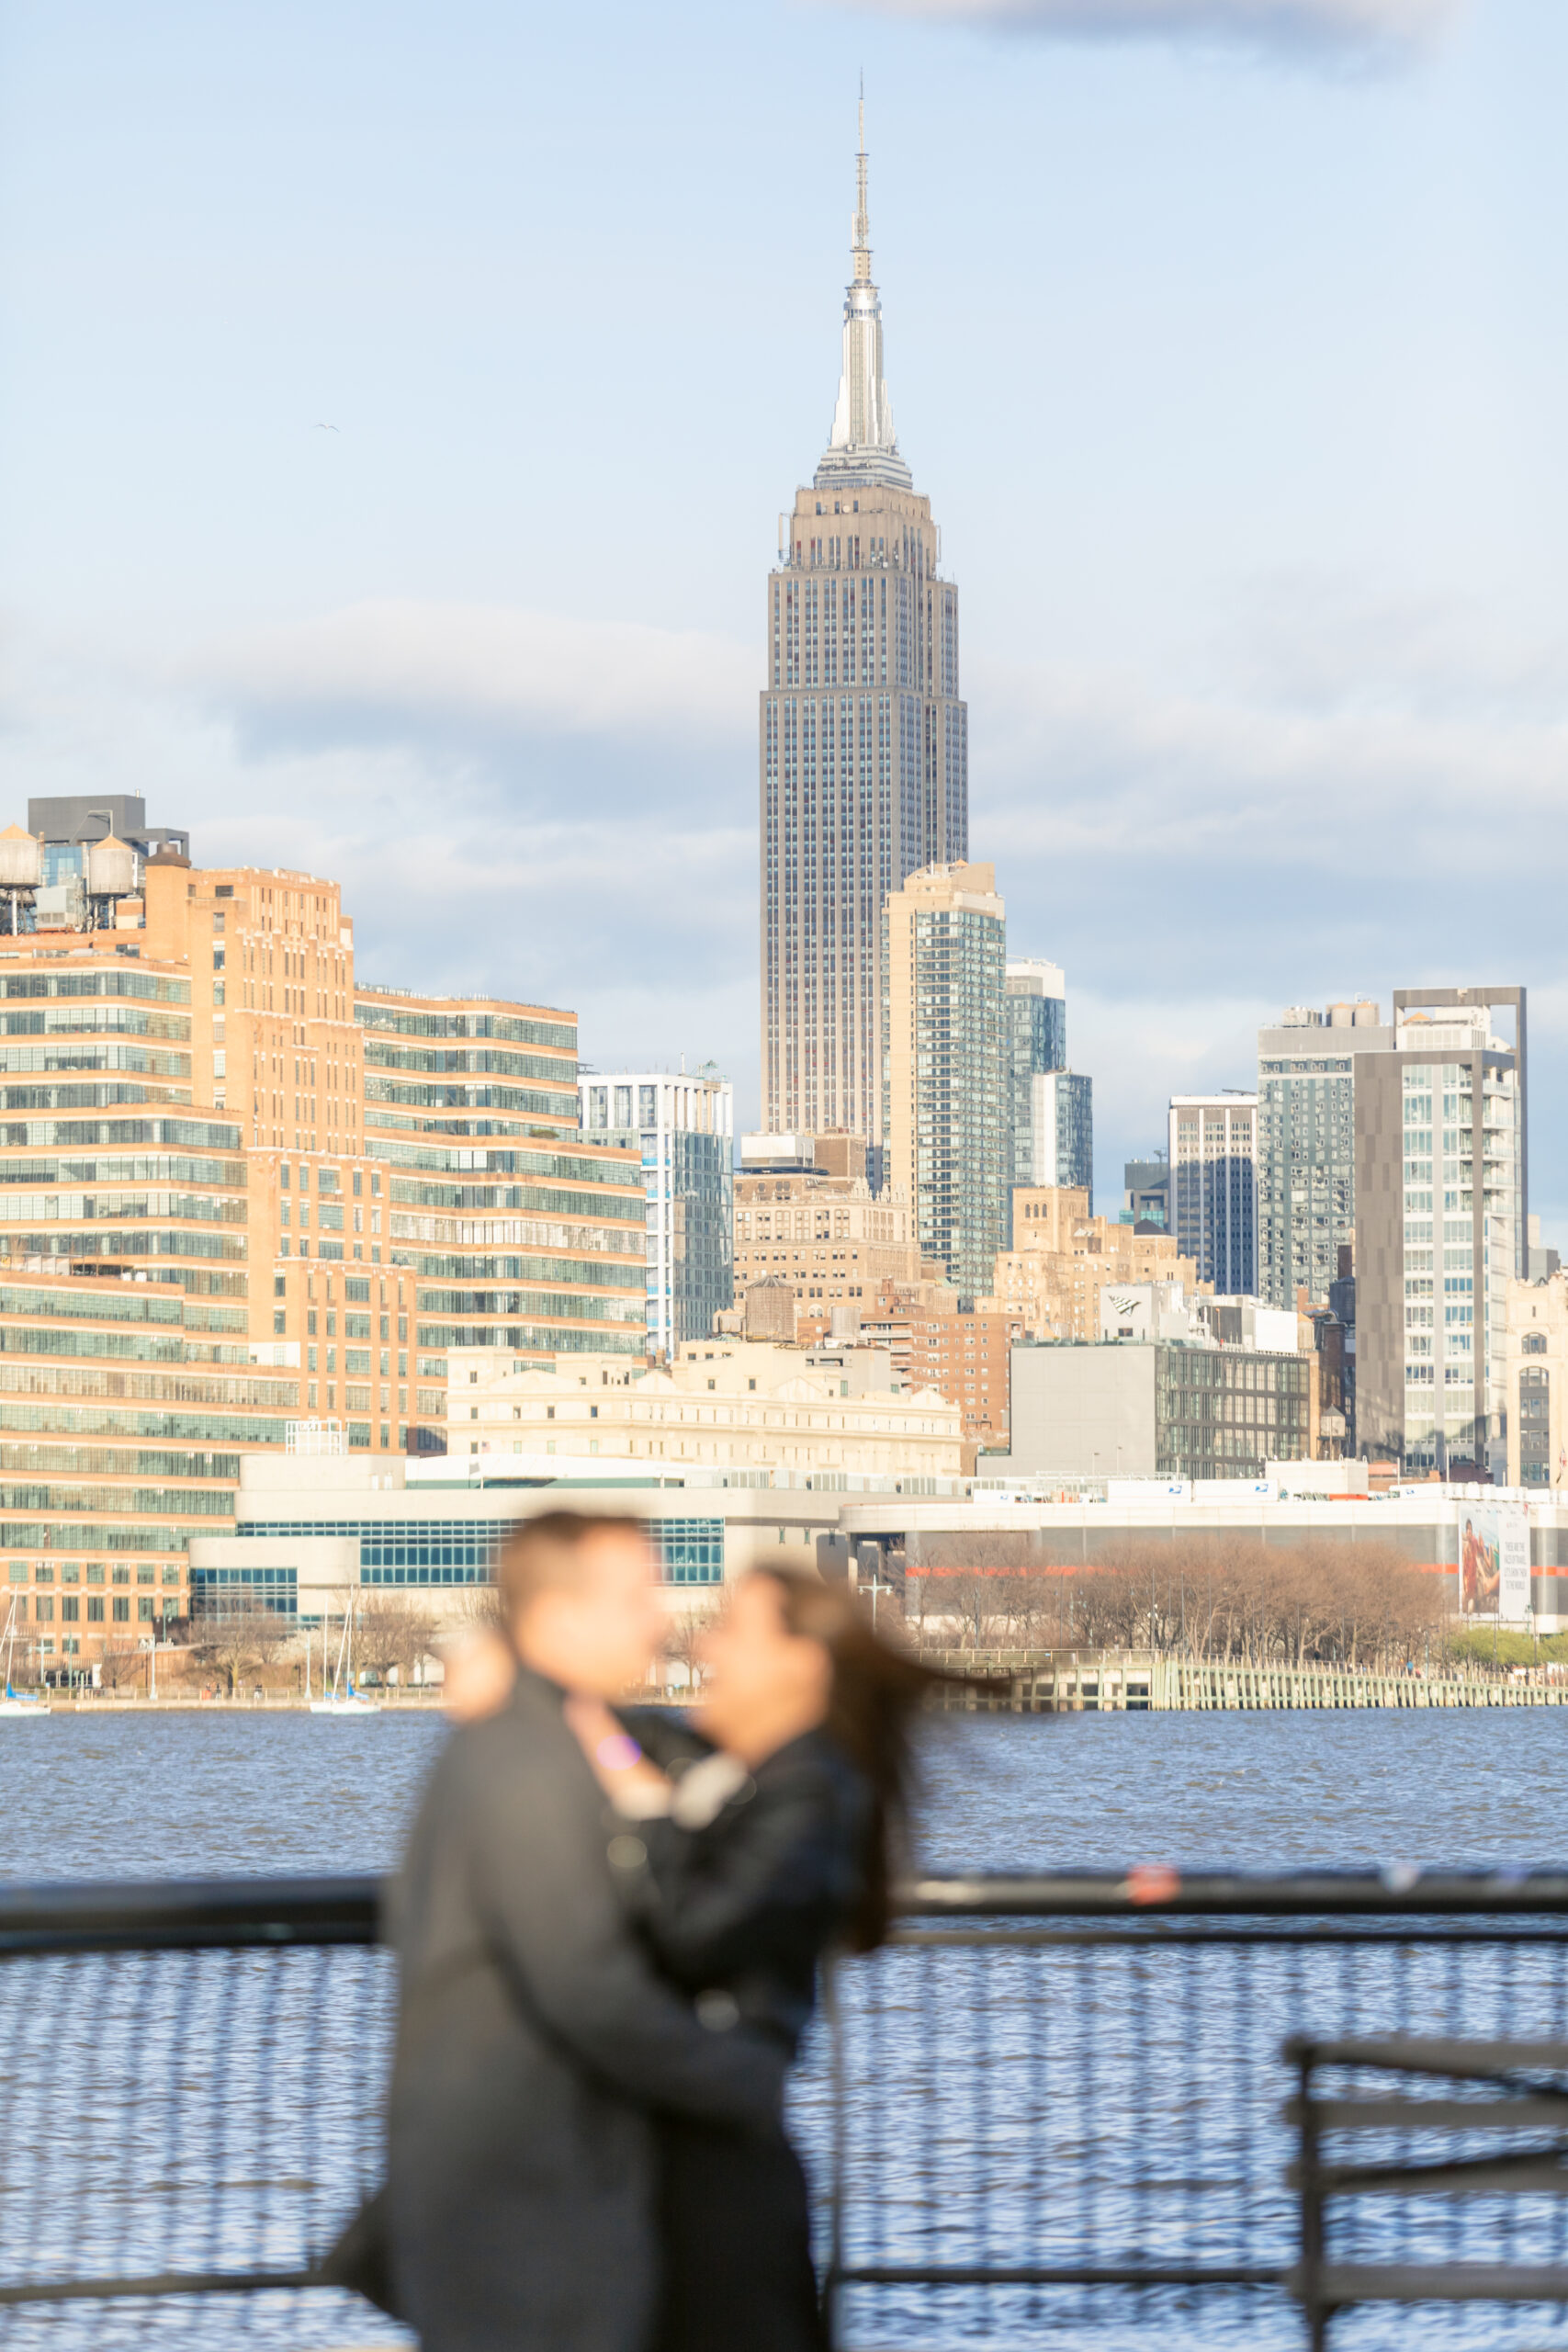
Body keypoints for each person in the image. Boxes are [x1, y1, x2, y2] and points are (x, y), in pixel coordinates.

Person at [455, 1561, 938, 2352]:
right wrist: (538, 1690)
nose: (703, 1646)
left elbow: (697, 1930)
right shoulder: (750, 1775)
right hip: (681, 2157)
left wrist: (635, 1801)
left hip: (723, 2174)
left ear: (800, 1664)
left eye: (731, 1630)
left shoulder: (812, 1794)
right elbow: (633, 1730)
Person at [382, 1511, 789, 2352]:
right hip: (517, 2200)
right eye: (638, 1594)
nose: (661, 1617)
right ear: (560, 1617)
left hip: (532, 2183)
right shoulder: (526, 1770)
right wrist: (741, 2079)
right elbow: (586, 1984)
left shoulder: (544, 1740)